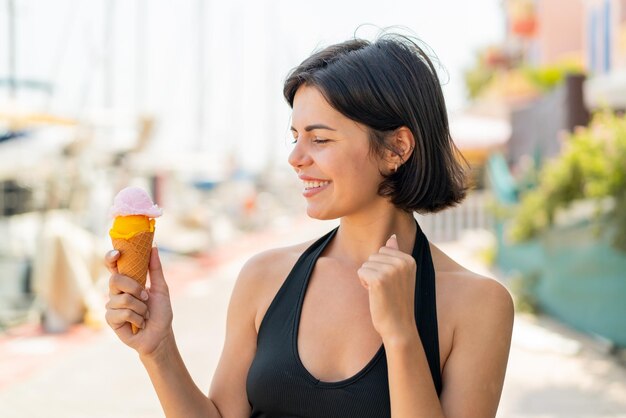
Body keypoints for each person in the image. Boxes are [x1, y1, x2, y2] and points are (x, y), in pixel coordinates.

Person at [104, 32, 514, 418]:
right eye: (295, 136)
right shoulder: (264, 277)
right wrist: (158, 348)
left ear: (397, 148)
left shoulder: (478, 305)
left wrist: (402, 334)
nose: (296, 158)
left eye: (319, 139)